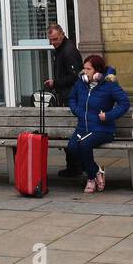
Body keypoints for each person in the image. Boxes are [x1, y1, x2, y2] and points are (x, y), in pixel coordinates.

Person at [67, 55, 131, 194]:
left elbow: (125, 103)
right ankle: (96, 171)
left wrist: (108, 115)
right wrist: (77, 110)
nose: (85, 72)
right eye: (84, 68)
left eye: (88, 69)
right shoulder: (80, 83)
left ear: (97, 72)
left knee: (84, 145)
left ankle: (90, 179)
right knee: (72, 148)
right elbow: (72, 98)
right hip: (83, 127)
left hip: (103, 129)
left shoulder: (109, 84)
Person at [44, 23, 84, 179]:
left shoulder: (69, 51)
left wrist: (56, 83)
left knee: (69, 132)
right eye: (51, 40)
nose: (54, 43)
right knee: (67, 133)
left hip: (71, 97)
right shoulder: (61, 50)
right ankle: (73, 165)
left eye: (56, 39)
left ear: (62, 34)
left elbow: (75, 76)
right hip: (66, 95)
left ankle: (75, 167)